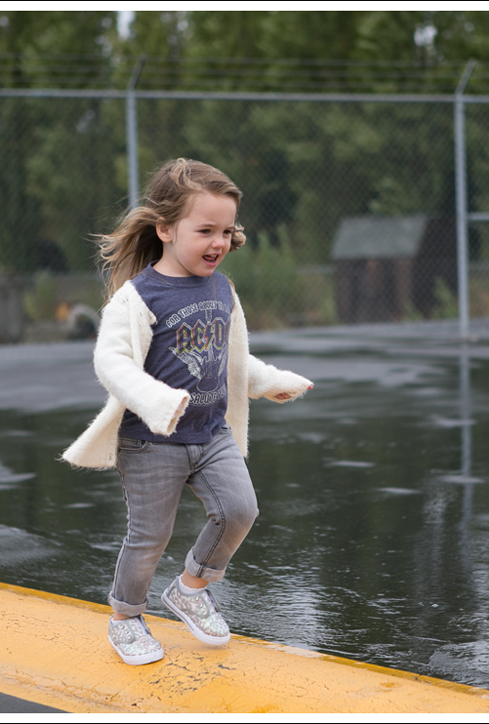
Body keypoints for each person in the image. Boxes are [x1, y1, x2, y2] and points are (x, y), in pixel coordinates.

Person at [63, 158, 313, 666]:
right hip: (150, 441)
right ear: (165, 229)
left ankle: (191, 588)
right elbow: (110, 362)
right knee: (149, 536)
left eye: (226, 230)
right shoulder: (138, 297)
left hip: (211, 432)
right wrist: (154, 400)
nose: (219, 242)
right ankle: (126, 618)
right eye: (205, 231)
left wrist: (265, 382)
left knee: (241, 510)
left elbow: (231, 357)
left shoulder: (222, 289)